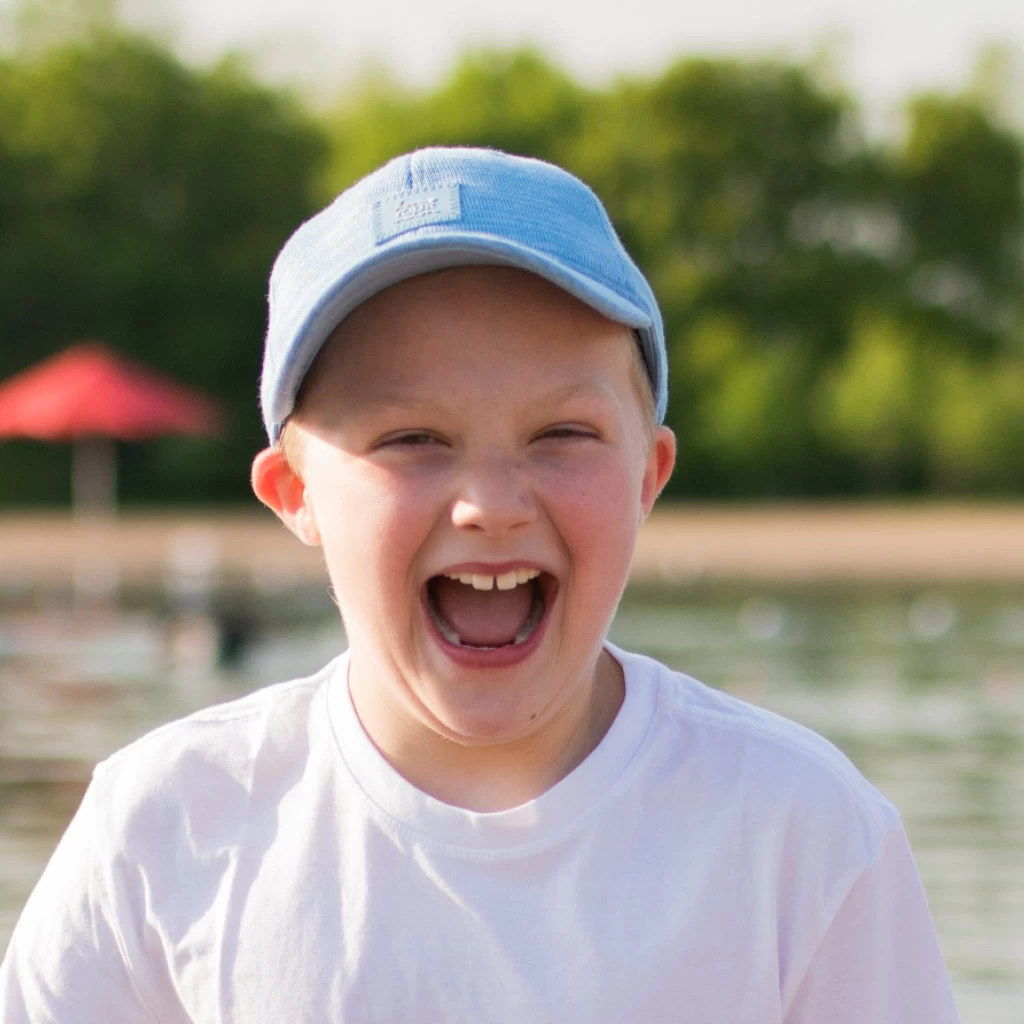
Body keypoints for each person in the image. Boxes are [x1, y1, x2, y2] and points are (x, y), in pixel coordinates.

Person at [0, 147, 959, 1022]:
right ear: (295, 494)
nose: (490, 506)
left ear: (647, 477)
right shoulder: (167, 828)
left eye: (562, 436)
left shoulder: (799, 833)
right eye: (412, 440)